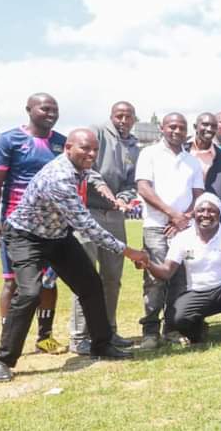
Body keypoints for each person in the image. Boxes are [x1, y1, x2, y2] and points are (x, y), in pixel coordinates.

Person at [0, 129, 147, 382]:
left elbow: (92, 174)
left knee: (91, 285)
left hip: (58, 236)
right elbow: (88, 227)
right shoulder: (60, 178)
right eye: (85, 149)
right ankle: (2, 360)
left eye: (95, 150)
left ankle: (101, 344)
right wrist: (130, 252)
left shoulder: (80, 167)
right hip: (26, 236)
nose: (91, 154)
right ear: (68, 148)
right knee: (29, 293)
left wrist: (105, 189)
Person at [0, 93, 75, 355]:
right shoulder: (10, 140)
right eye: (45, 108)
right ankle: (9, 337)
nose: (51, 113)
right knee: (14, 283)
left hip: (52, 226)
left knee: (48, 281)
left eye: (55, 109)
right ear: (29, 110)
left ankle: (44, 337)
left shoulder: (62, 143)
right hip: (17, 226)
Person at [68, 101, 140, 354]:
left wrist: (124, 198)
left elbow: (133, 183)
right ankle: (79, 336)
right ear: (111, 116)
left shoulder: (134, 145)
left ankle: (108, 330)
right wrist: (109, 195)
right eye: (119, 115)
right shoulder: (96, 132)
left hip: (115, 216)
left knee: (112, 278)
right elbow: (87, 170)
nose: (123, 120)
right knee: (86, 276)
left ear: (134, 119)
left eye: (128, 116)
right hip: (88, 212)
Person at [142, 193, 221, 349]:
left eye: (212, 211)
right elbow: (166, 271)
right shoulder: (182, 238)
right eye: (201, 210)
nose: (206, 215)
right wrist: (148, 263)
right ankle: (198, 328)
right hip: (198, 293)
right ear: (194, 213)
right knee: (176, 320)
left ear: (219, 213)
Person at [136, 112, 205, 349]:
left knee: (180, 280)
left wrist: (183, 218)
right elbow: (144, 188)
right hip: (156, 226)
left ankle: (172, 329)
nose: (177, 131)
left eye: (181, 128)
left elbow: (198, 195)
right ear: (162, 129)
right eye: (172, 127)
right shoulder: (149, 154)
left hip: (185, 228)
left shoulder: (192, 161)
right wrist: (171, 214)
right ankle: (150, 331)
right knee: (155, 279)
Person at [188, 113, 221, 225]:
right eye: (205, 125)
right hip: (178, 216)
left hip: (208, 219)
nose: (209, 129)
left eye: (213, 126)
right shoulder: (182, 150)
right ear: (195, 126)